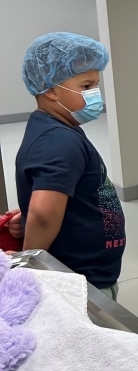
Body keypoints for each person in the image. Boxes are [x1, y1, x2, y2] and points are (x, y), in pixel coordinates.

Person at [15, 32, 126, 301]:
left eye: (96, 85)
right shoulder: (58, 141)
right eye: (86, 86)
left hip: (90, 274)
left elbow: (54, 193)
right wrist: (30, 265)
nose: (95, 94)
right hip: (78, 283)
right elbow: (43, 214)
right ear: (51, 89)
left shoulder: (60, 129)